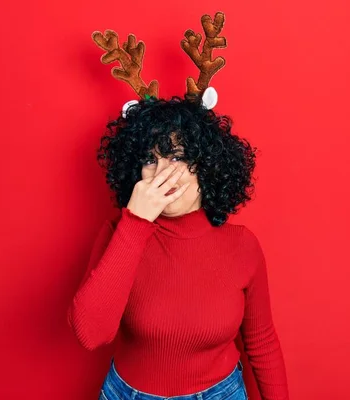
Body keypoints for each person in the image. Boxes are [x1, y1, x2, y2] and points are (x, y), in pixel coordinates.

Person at [68, 12, 289, 400]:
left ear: (207, 166)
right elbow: (90, 333)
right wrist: (135, 222)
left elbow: (262, 343)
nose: (162, 173)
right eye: (151, 159)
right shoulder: (118, 235)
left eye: (178, 157)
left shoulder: (243, 247)